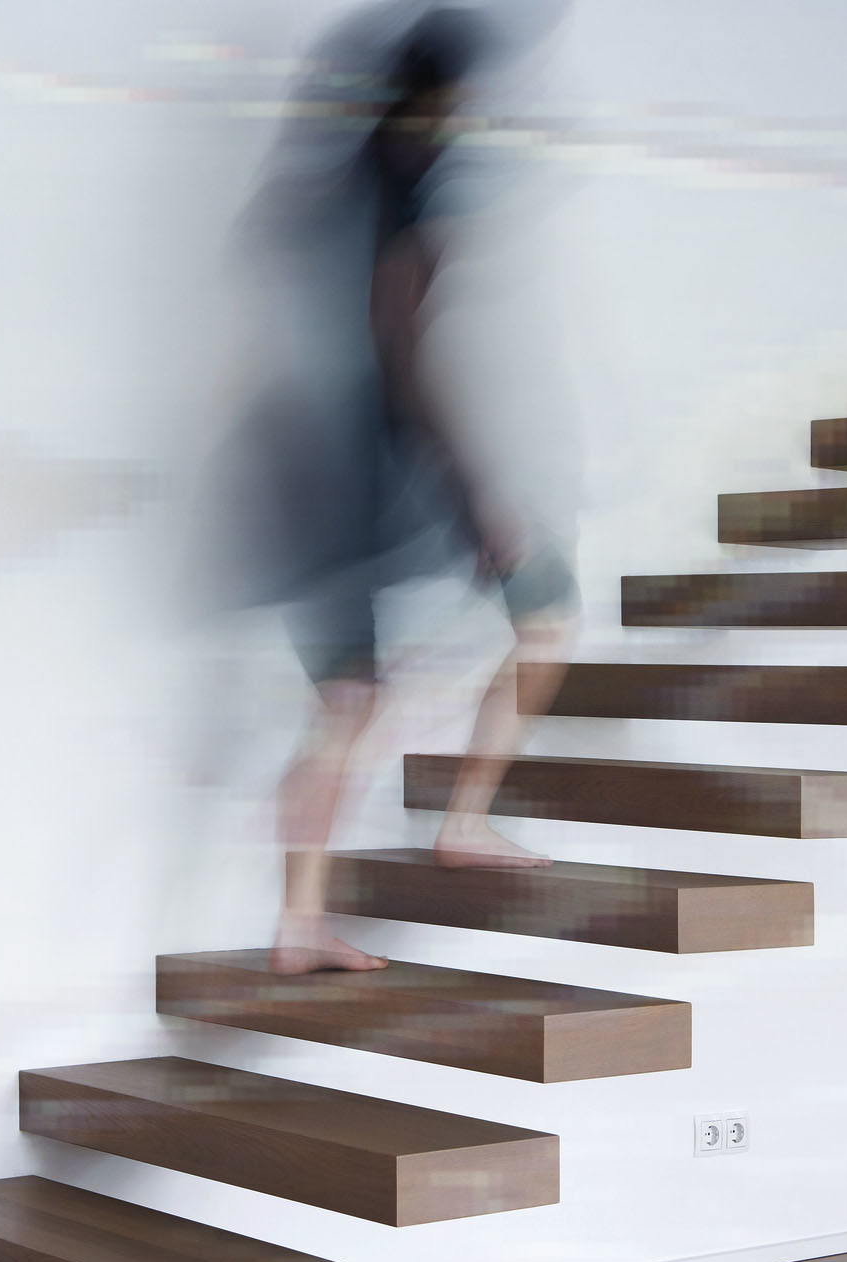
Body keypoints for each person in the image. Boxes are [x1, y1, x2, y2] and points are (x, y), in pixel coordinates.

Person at [208, 3, 578, 976]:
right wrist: (474, 498)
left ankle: (303, 922)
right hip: (361, 480)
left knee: (349, 700)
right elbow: (403, 352)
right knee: (543, 618)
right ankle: (458, 823)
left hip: (295, 477)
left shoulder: (318, 190)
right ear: (444, 101)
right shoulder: (402, 194)